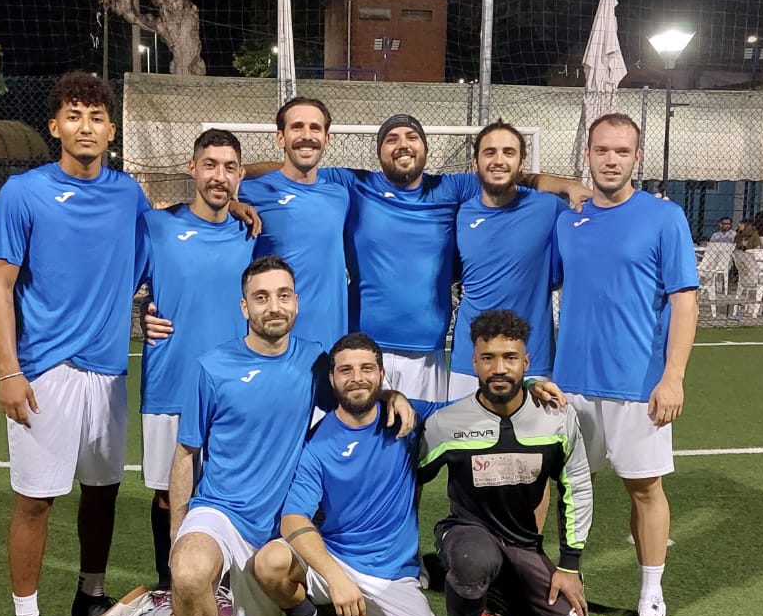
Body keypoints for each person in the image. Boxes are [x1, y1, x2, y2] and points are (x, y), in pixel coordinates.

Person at [75, 257, 415, 616]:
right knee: (189, 572)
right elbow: (186, 454)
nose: (273, 306)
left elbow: (355, 392)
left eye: (283, 295)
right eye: (261, 297)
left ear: (296, 302)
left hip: (277, 528)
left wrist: (391, 395)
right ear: (244, 307)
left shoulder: (315, 363)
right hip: (222, 510)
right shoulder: (213, 367)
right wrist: (178, 536)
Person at [0, 71, 150, 616]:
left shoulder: (128, 194)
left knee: (103, 492)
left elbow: (149, 258)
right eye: (74, 115)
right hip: (43, 372)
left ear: (112, 130)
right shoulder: (23, 193)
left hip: (107, 372)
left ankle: (90, 594)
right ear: (54, 126)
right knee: (36, 500)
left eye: (97, 117)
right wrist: (9, 371)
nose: (86, 127)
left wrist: (234, 199)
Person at [242, 113, 584, 402]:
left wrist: (568, 186)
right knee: (368, 440)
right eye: (391, 139)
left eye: (411, 137)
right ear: (379, 152)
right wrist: (237, 173)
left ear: (424, 148)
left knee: (421, 447)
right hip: (365, 347)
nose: (402, 144)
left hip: (428, 351)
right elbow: (294, 168)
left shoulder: (451, 188)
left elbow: (510, 175)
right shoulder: (355, 184)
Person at [552, 113, 699, 616]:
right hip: (570, 383)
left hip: (637, 384)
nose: (610, 160)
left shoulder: (665, 217)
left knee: (645, 487)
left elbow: (685, 302)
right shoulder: (567, 220)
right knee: (568, 485)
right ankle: (562, 581)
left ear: (637, 158)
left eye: (621, 151)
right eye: (601, 150)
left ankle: (651, 596)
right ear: (587, 155)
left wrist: (673, 377)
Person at [418, 309, 597, 616]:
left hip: (522, 546)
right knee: (474, 559)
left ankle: (489, 598)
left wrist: (569, 566)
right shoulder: (447, 423)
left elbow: (577, 486)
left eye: (510, 358)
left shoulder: (556, 418)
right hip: (466, 535)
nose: (499, 368)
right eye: (488, 358)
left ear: (526, 362)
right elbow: (409, 480)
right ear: (474, 362)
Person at [253, 333, 445, 616]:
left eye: (366, 368)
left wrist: (530, 386)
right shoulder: (317, 443)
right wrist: (335, 577)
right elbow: (293, 519)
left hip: (392, 572)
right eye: (346, 370)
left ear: (382, 374)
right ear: (332, 378)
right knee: (270, 561)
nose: (357, 377)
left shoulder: (408, 416)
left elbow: (477, 407)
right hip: (336, 560)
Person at [137, 129, 256, 589]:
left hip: (233, 389)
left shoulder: (250, 233)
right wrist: (140, 315)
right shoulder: (156, 226)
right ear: (192, 169)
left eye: (229, 168)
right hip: (171, 382)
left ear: (240, 174)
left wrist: (242, 202)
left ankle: (224, 588)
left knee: (225, 493)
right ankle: (169, 585)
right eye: (210, 165)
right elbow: (119, 285)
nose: (219, 177)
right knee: (169, 493)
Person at [449, 121, 563, 399]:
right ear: (475, 162)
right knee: (463, 428)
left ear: (521, 162)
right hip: (470, 359)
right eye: (490, 152)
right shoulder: (461, 214)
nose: (499, 160)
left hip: (531, 357)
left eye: (508, 152)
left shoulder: (550, 208)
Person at [235, 97, 351, 345]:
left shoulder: (340, 195)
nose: (306, 135)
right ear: (281, 138)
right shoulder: (251, 193)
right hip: (275, 343)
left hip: (330, 342)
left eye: (315, 128)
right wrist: (231, 203)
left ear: (327, 139)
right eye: (297, 127)